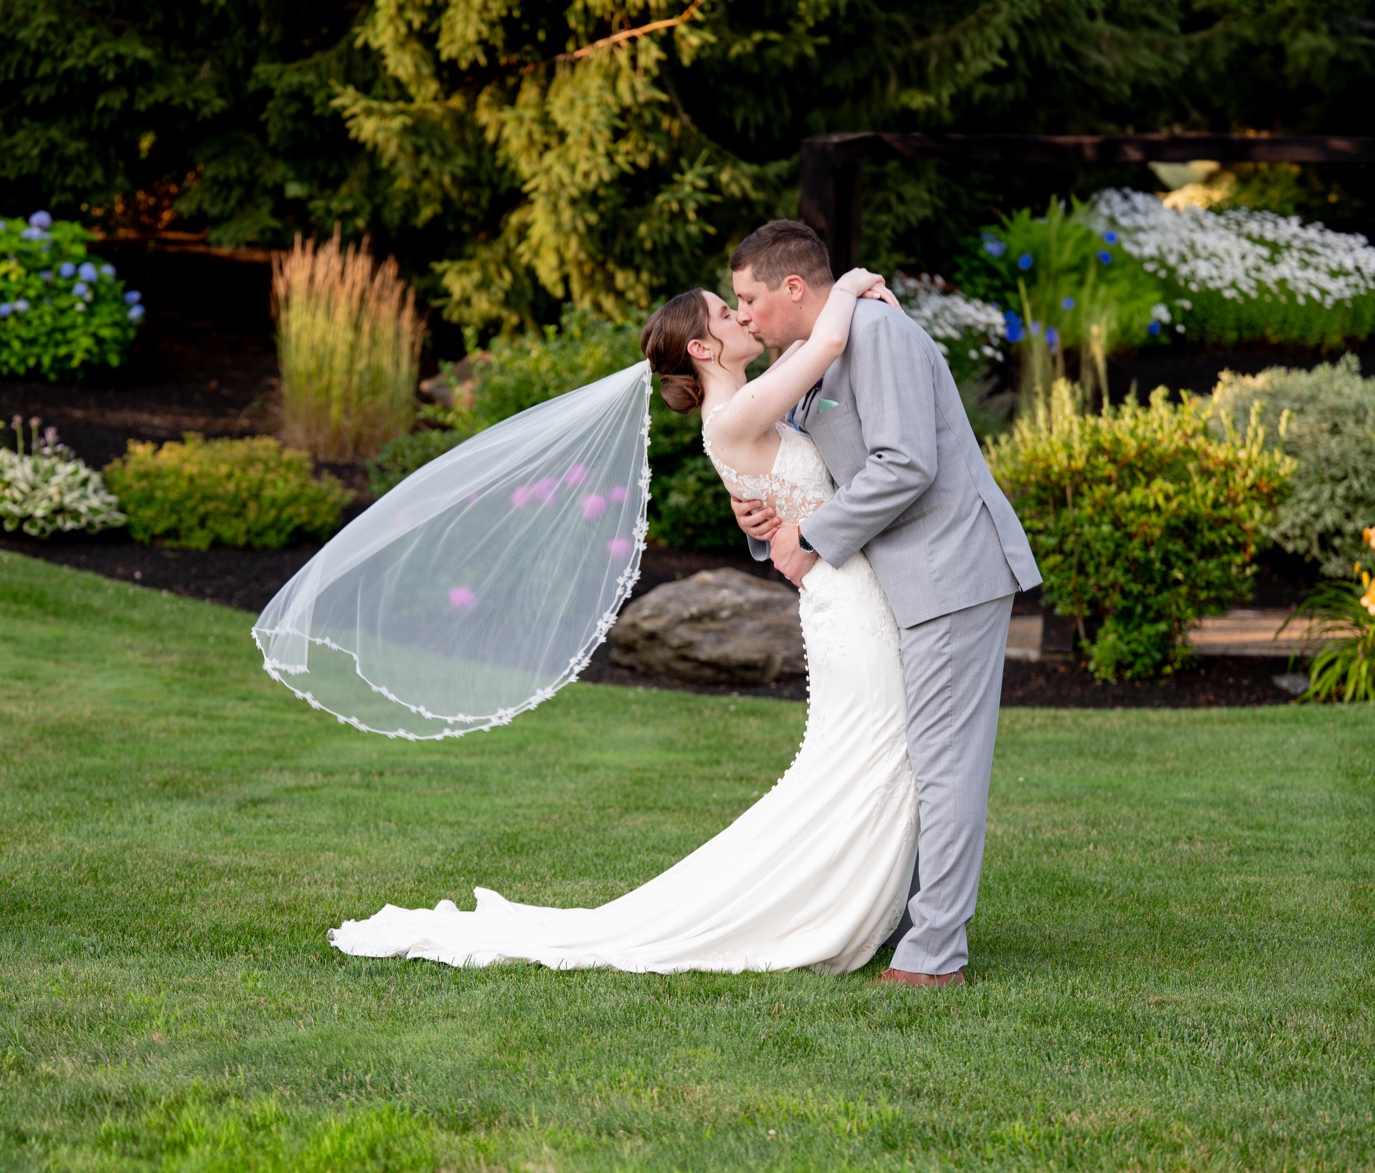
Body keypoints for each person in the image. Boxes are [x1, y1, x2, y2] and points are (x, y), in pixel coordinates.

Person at [327, 267, 928, 975]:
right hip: (844, 603)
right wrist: (852, 282)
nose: (744, 318)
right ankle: (818, 904)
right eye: (726, 314)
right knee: (873, 749)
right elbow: (823, 344)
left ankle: (848, 896)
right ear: (703, 350)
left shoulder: (750, 404)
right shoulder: (733, 416)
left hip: (845, 593)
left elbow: (807, 354)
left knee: (871, 750)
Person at [726, 220, 1040, 987]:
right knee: (907, 760)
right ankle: (900, 919)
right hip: (891, 584)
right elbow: (820, 472)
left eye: (750, 298)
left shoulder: (879, 332)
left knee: (944, 765)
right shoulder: (812, 352)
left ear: (794, 288)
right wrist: (767, 521)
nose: (744, 316)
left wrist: (815, 534)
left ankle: (936, 953)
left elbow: (906, 464)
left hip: (948, 574)